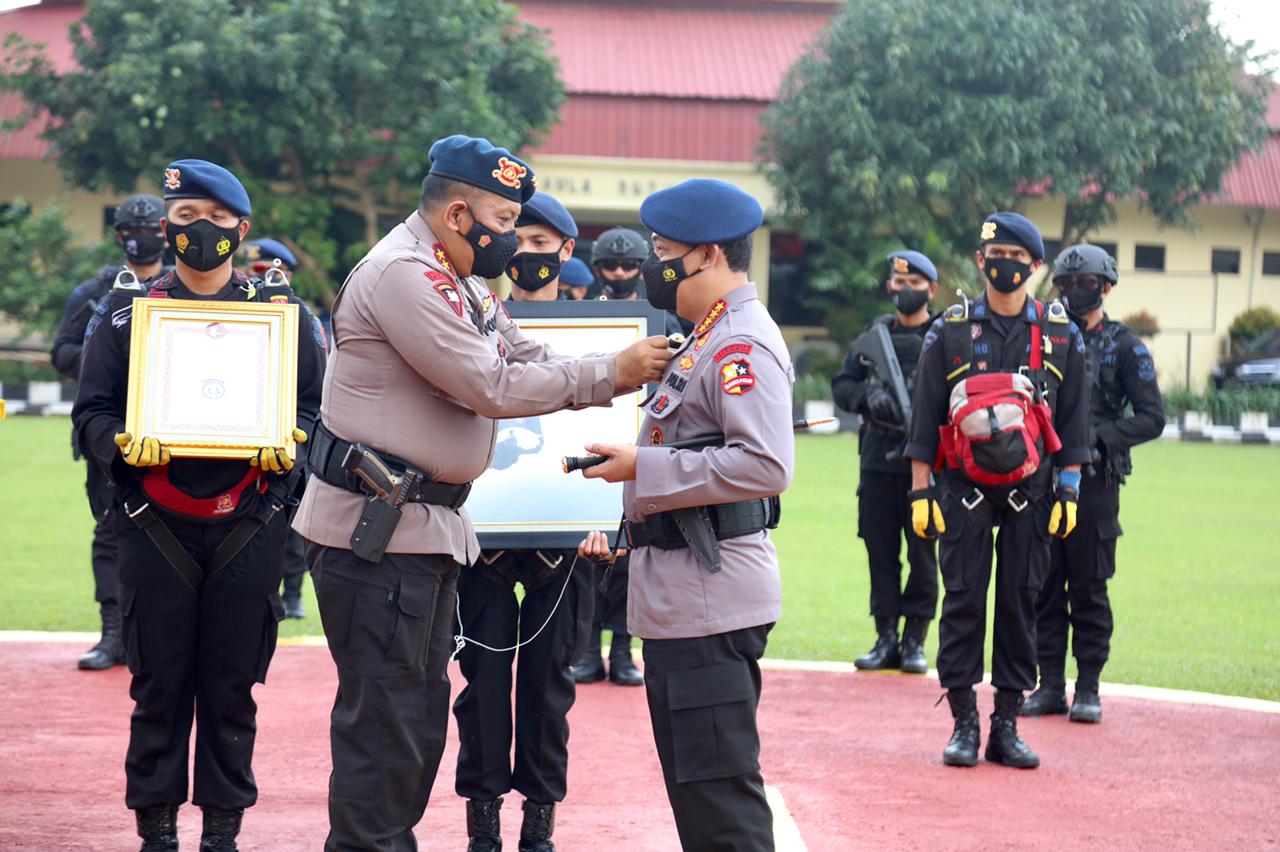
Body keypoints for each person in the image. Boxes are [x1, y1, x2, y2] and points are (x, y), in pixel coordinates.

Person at [290, 134, 671, 852]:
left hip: (418, 533)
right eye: (503, 219)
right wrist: (611, 373)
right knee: (386, 726)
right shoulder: (406, 276)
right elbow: (488, 385)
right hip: (379, 537)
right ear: (459, 213)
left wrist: (617, 366)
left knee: (417, 716)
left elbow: (524, 351)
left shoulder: (458, 277)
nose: (511, 238)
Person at [72, 159, 325, 851]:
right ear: (166, 226)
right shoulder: (127, 315)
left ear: (241, 229)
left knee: (230, 689)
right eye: (184, 219)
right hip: (153, 523)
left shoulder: (283, 317)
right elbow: (89, 412)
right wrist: (122, 444)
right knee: (156, 689)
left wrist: (293, 449)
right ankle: (156, 834)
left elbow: (315, 411)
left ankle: (222, 835)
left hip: (251, 521)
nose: (199, 231)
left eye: (215, 219)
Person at [578, 178, 793, 851]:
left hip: (711, 600)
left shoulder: (740, 346)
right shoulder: (706, 336)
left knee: (721, 805)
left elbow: (764, 465)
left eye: (661, 250)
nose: (652, 264)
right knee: (700, 800)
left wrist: (644, 467)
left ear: (704, 256)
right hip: (683, 598)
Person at [903, 212, 1090, 770]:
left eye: (1016, 257)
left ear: (1036, 266)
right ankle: (964, 721)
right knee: (961, 600)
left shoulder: (1061, 334)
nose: (1004, 265)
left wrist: (1071, 490)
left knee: (1021, 602)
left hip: (1032, 492)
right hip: (961, 490)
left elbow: (1077, 422)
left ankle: (1006, 722)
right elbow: (924, 416)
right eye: (994, 256)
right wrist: (919, 492)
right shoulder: (951, 330)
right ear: (981, 262)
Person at [453, 191, 593, 851]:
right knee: (479, 687)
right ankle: (483, 827)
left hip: (568, 541)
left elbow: (621, 428)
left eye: (544, 246)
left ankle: (539, 828)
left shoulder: (603, 331)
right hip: (479, 535)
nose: (529, 255)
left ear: (568, 251)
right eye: (520, 242)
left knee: (549, 690)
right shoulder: (468, 315)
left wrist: (608, 518)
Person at [1022, 244, 1164, 723]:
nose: (1073, 291)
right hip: (1043, 480)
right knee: (1042, 586)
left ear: (1105, 287)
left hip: (1096, 485)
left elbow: (1151, 417)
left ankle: (1088, 689)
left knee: (1088, 588)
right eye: (1065, 283)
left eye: (1084, 282)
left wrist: (1100, 438)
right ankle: (1049, 686)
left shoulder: (1125, 346)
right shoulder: (1044, 339)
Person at [51, 193, 167, 670]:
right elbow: (61, 352)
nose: (141, 238)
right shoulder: (97, 290)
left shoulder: (179, 288)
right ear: (118, 235)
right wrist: (110, 357)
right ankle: (113, 633)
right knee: (110, 529)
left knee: (175, 530)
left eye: (150, 229)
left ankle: (158, 637)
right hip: (109, 432)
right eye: (130, 229)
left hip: (170, 427)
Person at [568, 229, 680, 687]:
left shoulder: (664, 319)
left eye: (628, 266)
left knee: (633, 553)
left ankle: (622, 649)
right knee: (588, 549)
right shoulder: (581, 316)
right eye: (610, 267)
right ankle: (587, 649)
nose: (618, 274)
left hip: (643, 442)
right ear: (597, 269)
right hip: (592, 437)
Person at [831, 250, 939, 673]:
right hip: (877, 461)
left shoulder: (945, 335)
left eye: (914, 284)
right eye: (898, 282)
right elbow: (842, 384)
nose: (904, 290)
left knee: (924, 555)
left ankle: (915, 640)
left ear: (931, 289)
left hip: (927, 467)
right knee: (880, 553)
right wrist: (867, 398)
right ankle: (885, 637)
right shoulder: (875, 334)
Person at [236, 237, 316, 618]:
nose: (261, 280)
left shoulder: (302, 316)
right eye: (253, 273)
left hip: (290, 435)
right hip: (240, 439)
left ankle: (295, 593)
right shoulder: (232, 312)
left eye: (269, 272)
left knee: (294, 520)